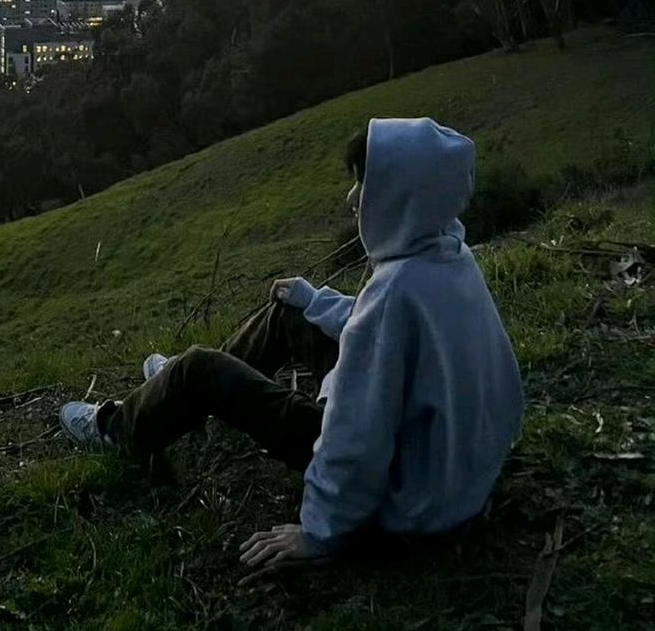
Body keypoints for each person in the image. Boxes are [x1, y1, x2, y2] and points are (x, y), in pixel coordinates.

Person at [59, 117, 524, 580]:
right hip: (442, 466)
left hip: (404, 490)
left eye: (364, 184)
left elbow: (356, 441)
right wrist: (313, 301)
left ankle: (121, 428)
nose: (351, 199)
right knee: (290, 311)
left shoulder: (396, 293)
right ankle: (174, 393)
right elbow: (386, 333)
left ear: (397, 194)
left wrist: (320, 531)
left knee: (198, 367)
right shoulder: (449, 257)